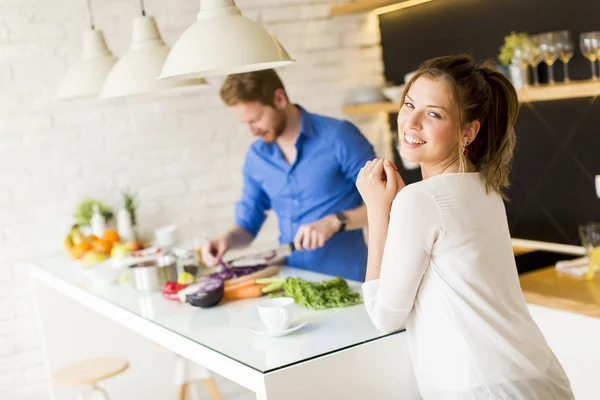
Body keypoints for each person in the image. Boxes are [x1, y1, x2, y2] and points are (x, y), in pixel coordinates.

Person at [356, 55, 574, 399]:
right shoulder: (487, 188)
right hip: (540, 377)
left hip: (483, 389)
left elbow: (384, 316)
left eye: (433, 114)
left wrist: (377, 210)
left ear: (468, 131)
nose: (411, 122)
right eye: (409, 104)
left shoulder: (419, 200)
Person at [201, 69, 376, 281]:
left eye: (255, 119)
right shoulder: (256, 158)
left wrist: (335, 221)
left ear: (279, 99)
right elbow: (247, 225)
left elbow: (388, 205)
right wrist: (226, 240)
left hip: (350, 280)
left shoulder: (339, 137)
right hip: (294, 282)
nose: (251, 131)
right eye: (244, 123)